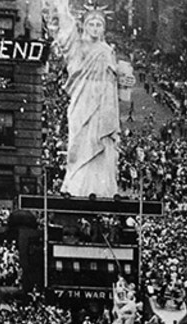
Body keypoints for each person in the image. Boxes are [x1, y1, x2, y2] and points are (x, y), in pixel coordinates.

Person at [51, 0, 134, 197]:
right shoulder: (78, 46)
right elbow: (66, 33)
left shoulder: (107, 50)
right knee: (79, 143)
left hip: (105, 102)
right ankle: (76, 184)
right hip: (83, 97)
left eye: (99, 25)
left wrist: (124, 79)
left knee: (104, 143)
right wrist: (62, 8)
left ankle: (102, 186)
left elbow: (116, 79)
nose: (95, 28)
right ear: (84, 26)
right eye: (91, 24)